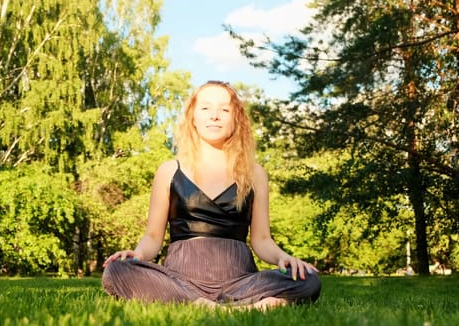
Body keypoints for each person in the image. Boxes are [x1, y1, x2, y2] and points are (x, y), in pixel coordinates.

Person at [102, 80, 321, 309]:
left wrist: (282, 258)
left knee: (309, 279)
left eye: (224, 109)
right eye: (205, 108)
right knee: (117, 269)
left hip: (240, 282)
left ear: (236, 119)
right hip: (181, 280)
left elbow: (262, 239)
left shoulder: (255, 174)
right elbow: (153, 237)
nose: (214, 116)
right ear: (193, 118)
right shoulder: (169, 170)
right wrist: (136, 254)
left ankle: (209, 304)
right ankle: (240, 307)